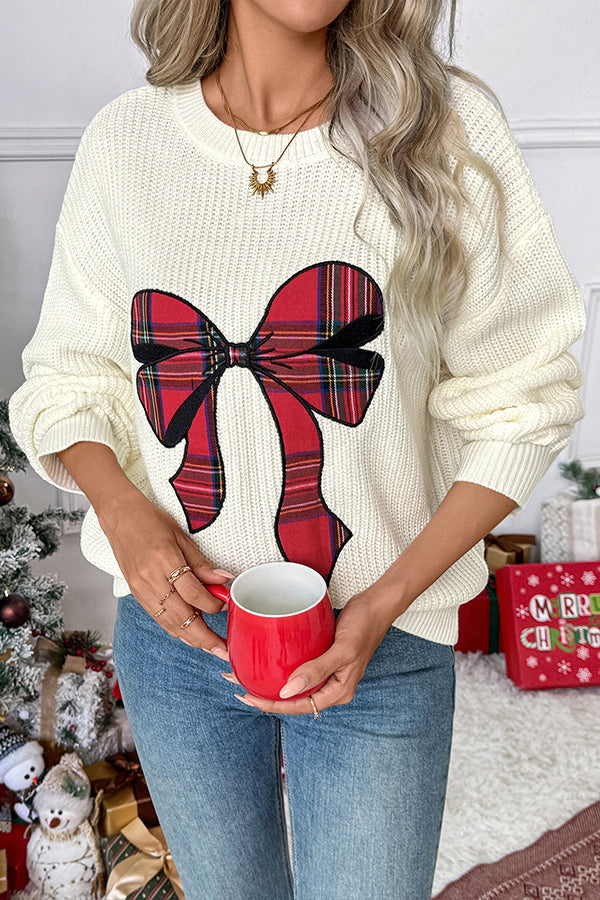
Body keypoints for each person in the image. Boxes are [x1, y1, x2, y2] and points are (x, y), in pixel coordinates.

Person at [8, 1, 586, 898]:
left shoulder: (446, 130)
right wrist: (122, 514)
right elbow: (69, 375)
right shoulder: (127, 143)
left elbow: (524, 398)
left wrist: (386, 601)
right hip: (178, 639)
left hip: (384, 640)